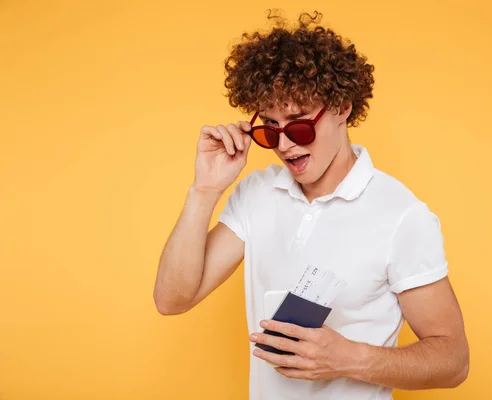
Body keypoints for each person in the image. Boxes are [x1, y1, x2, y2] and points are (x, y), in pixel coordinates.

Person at [153, 10, 469, 400]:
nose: (285, 145)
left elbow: (454, 360)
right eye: (269, 128)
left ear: (342, 107)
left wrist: (350, 359)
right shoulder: (257, 194)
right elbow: (172, 299)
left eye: (299, 124)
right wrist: (205, 190)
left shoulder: (401, 215)